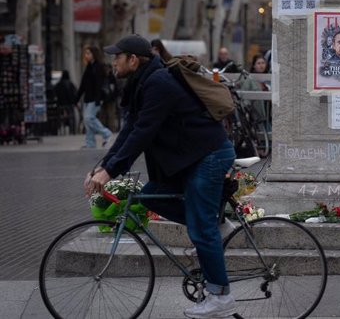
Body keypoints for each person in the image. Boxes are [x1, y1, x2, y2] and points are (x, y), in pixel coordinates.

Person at [84, 34, 237, 318]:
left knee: (200, 229)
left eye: (117, 57)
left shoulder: (158, 84)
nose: (113, 62)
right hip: (189, 158)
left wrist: (109, 172)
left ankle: (221, 297)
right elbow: (130, 130)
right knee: (151, 193)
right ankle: (217, 222)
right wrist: (103, 166)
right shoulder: (142, 84)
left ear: (133, 60)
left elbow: (144, 133)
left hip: (209, 155)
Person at [75, 46, 113, 148]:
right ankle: (90, 143)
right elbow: (83, 85)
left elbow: (99, 84)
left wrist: (98, 99)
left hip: (96, 98)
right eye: (86, 53)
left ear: (94, 54)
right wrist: (77, 98)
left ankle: (106, 133)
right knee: (87, 121)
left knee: (88, 118)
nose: (86, 55)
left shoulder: (99, 66)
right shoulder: (88, 67)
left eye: (88, 53)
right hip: (88, 98)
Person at [53, 70, 78, 134]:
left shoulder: (58, 84)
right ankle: (72, 131)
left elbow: (55, 94)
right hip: (70, 104)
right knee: (71, 117)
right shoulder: (70, 84)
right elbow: (75, 94)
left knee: (60, 117)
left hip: (61, 104)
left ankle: (60, 130)